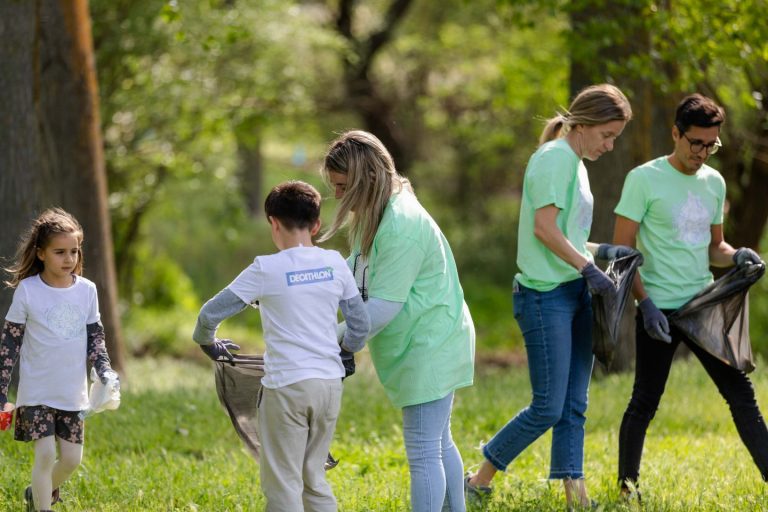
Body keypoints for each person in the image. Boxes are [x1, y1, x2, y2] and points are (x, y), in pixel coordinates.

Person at [464, 83, 635, 509]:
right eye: (607, 135)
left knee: (575, 403)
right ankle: (478, 479)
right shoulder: (554, 158)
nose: (610, 146)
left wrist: (603, 252)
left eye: (615, 137)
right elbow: (544, 230)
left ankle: (576, 497)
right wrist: (588, 267)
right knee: (547, 406)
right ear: (585, 124)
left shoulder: (576, 162)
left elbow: (569, 236)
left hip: (574, 292)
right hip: (544, 297)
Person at [614, 93, 768, 496]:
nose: (702, 153)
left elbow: (714, 246)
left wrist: (737, 256)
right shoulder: (643, 179)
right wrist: (644, 304)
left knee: (741, 394)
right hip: (658, 310)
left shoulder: (714, 183)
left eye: (711, 145)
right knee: (644, 401)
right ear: (676, 134)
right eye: (695, 143)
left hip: (702, 307)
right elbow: (622, 254)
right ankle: (628, 489)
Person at [320, 130, 475, 512]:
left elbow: (379, 311)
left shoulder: (401, 224)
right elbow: (357, 280)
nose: (337, 197)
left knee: (424, 452)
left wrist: (324, 341)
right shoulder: (377, 214)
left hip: (430, 343)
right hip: (430, 338)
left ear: (364, 180)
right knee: (439, 443)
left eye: (342, 187)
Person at [192, 180, 370, 512]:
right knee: (313, 479)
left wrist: (208, 343)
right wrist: (346, 352)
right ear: (316, 225)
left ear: (273, 222)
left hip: (286, 387)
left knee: (283, 484)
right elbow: (360, 325)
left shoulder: (266, 269)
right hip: (328, 386)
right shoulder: (335, 263)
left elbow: (209, 314)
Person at [0, 207, 118, 512]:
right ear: (40, 253)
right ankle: (43, 508)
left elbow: (95, 336)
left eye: (74, 252)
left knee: (71, 459)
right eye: (59, 252)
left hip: (72, 393)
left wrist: (103, 368)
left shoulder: (87, 291)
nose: (69, 259)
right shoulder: (27, 291)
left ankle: (36, 493)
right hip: (37, 391)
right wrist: (1, 392)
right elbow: (10, 344)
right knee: (42, 455)